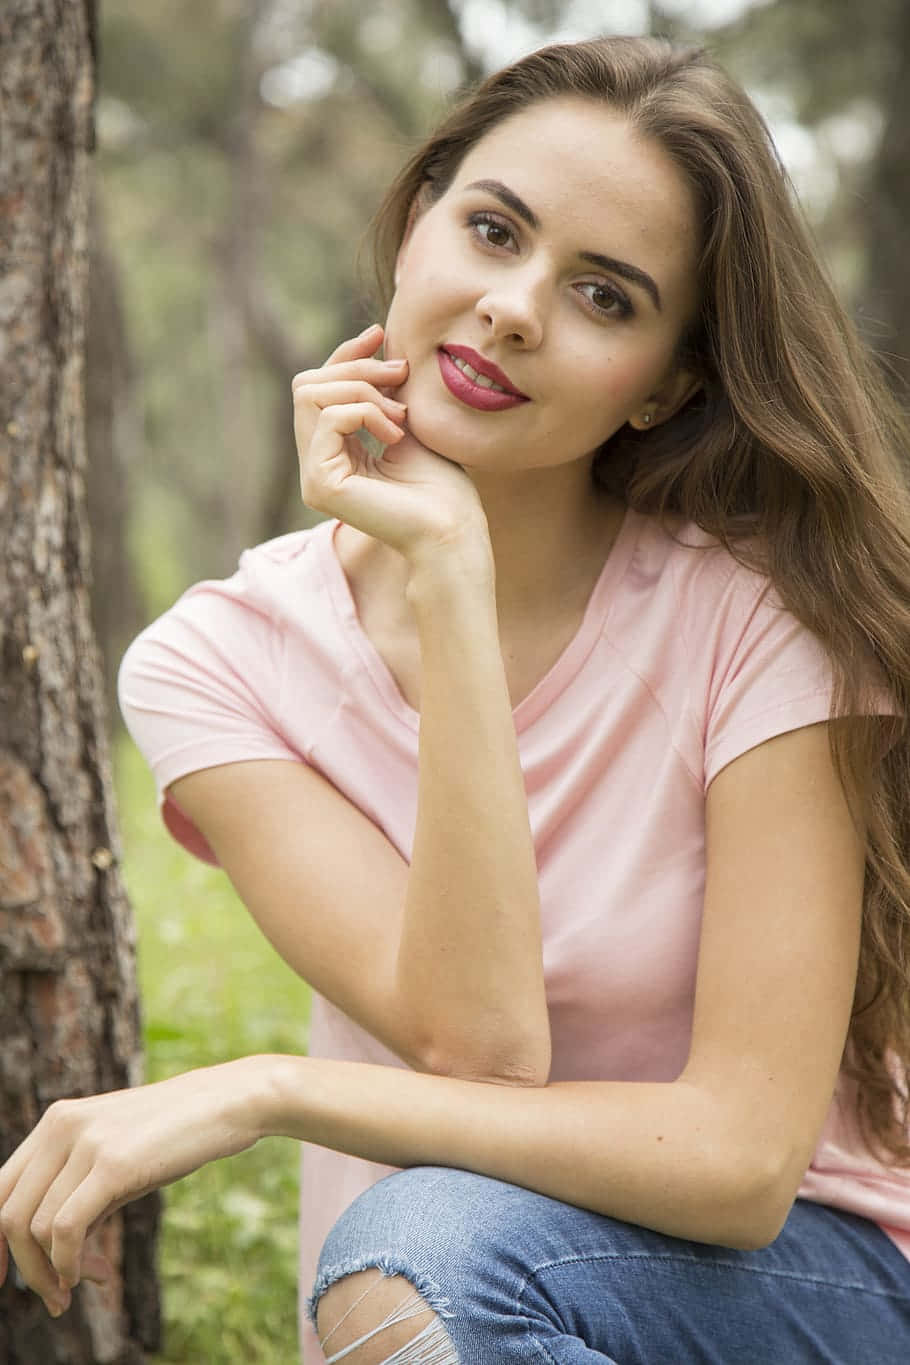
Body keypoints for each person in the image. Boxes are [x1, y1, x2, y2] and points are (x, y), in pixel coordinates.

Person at [2, 33, 910, 1364]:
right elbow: (476, 1039)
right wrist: (446, 573)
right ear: (416, 221)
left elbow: (738, 1159)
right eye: (491, 231)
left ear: (667, 381)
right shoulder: (218, 664)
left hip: (801, 1282)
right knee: (429, 1258)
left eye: (605, 296)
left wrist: (265, 1088)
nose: (514, 307)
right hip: (440, 1299)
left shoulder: (761, 618)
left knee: (431, 1249)